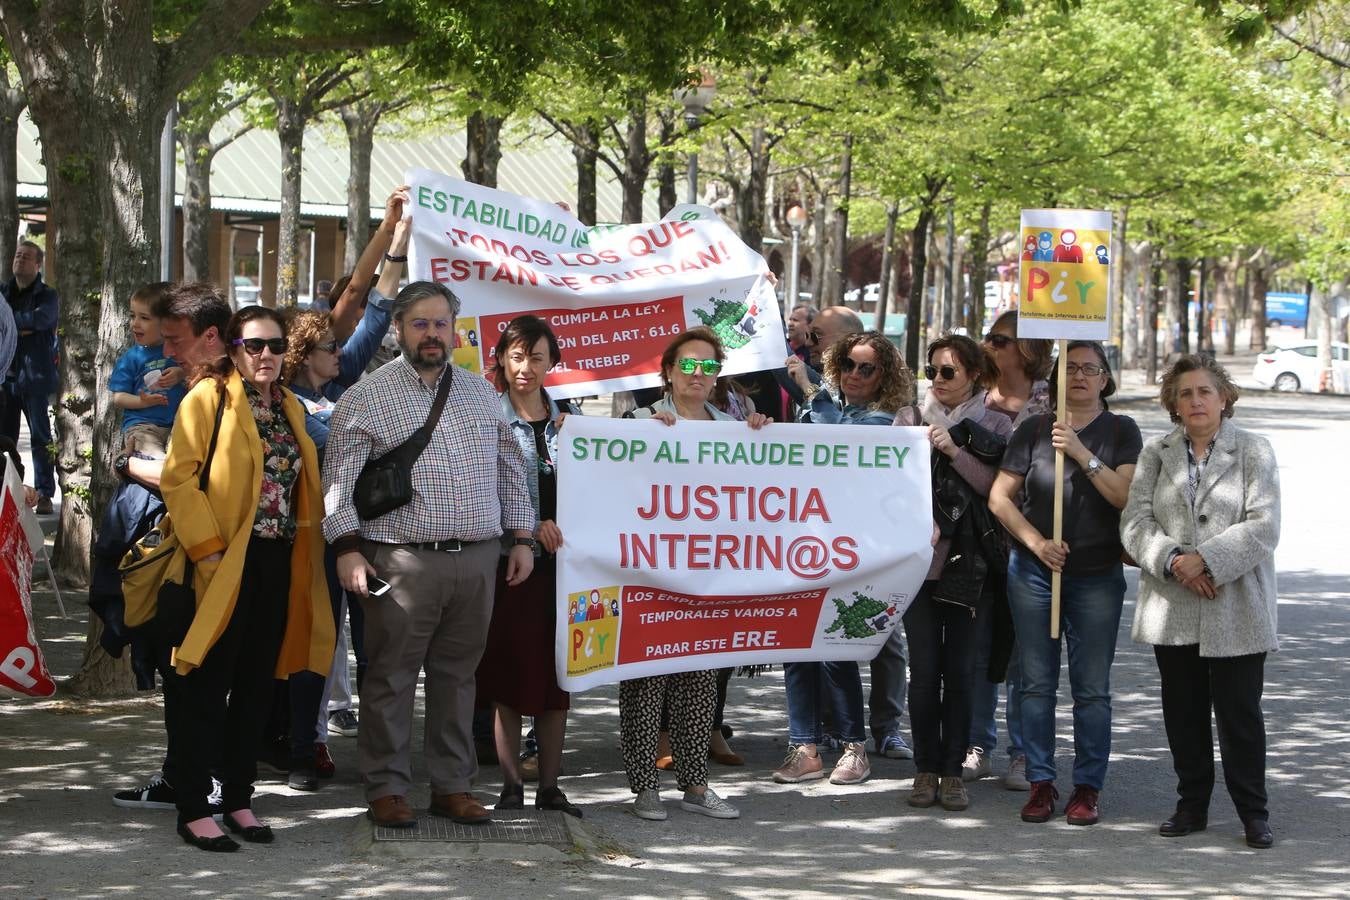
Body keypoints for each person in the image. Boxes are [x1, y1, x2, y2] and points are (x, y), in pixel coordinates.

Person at [322, 281, 536, 830]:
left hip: (478, 559)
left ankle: (452, 786)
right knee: (391, 677)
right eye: (420, 323)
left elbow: (512, 469)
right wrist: (346, 548)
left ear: (455, 329)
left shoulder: (481, 394)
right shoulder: (364, 398)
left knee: (459, 678)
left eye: (442, 323)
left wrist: (521, 539)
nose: (433, 334)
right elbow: (337, 484)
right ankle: (388, 789)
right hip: (400, 561)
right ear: (398, 328)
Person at [159, 304, 334, 851]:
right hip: (217, 564)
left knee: (258, 686)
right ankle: (193, 805)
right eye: (254, 345)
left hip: (276, 561)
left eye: (276, 346)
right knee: (204, 686)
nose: (266, 355)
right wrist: (209, 554)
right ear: (233, 348)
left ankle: (237, 797)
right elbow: (178, 479)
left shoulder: (288, 407)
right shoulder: (208, 398)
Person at [271, 205, 408, 791]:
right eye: (328, 346)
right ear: (304, 355)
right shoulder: (286, 403)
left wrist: (398, 235)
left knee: (374, 644)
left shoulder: (344, 381)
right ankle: (307, 746)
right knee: (314, 645)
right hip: (312, 538)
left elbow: (377, 309)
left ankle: (382, 751)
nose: (341, 350)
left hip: (366, 534)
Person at [1121, 355, 1280, 850]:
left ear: (1224, 397)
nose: (1195, 401)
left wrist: (1206, 560)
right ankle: (1191, 805)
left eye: (1204, 392)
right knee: (1183, 713)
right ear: (1173, 402)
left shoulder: (1254, 450)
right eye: (1185, 393)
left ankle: (1253, 812)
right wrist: (1173, 561)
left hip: (1237, 605)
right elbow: (1134, 523)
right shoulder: (1156, 453)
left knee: (1240, 716)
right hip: (1173, 606)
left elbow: (1264, 525)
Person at [988, 340, 1141, 827]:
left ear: (1104, 378)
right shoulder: (1033, 429)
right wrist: (1036, 543)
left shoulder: (1121, 430)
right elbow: (1000, 499)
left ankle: (1088, 788)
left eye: (1089, 369)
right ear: (1055, 378)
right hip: (1035, 572)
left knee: (1091, 688)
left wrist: (1079, 451)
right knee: (1034, 682)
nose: (1078, 376)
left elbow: (1123, 496)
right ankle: (1040, 780)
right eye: (1069, 368)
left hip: (1096, 576)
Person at [621, 326, 769, 822]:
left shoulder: (734, 428)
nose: (697, 374)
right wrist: (640, 436)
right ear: (668, 370)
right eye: (688, 364)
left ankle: (696, 784)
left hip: (708, 578)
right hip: (648, 577)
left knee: (701, 681)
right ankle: (644, 787)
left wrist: (765, 438)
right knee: (645, 680)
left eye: (708, 366)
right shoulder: (639, 420)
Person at [111, 282, 233, 812]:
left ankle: (207, 786)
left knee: (197, 677)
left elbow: (192, 481)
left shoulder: (225, 394)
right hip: (187, 559)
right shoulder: (204, 388)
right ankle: (186, 778)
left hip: (209, 562)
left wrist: (130, 466)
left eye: (173, 339)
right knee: (181, 674)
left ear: (210, 337)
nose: (165, 352)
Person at [775, 331, 914, 786]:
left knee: (836, 649)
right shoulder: (820, 407)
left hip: (852, 548)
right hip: (802, 540)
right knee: (797, 648)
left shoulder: (885, 419)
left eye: (866, 368)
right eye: (848, 365)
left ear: (884, 376)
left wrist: (812, 389)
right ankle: (805, 747)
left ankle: (855, 748)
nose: (854, 375)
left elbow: (841, 441)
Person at [893, 334, 1010, 813]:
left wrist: (955, 451)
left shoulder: (997, 422)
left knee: (961, 672)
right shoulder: (909, 418)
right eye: (932, 371)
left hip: (973, 568)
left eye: (949, 372)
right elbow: (887, 486)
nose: (938, 381)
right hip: (920, 568)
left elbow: (1000, 492)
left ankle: (952, 772)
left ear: (975, 376)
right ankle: (924, 768)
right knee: (923, 673)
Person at [475, 315, 581, 817]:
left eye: (537, 357)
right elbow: (478, 493)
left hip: (567, 571)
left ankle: (551, 789)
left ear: (552, 363)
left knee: (558, 677)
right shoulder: (485, 418)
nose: (526, 367)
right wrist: (528, 525)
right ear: (500, 358)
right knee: (510, 679)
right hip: (510, 568)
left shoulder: (574, 421)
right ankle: (512, 787)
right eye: (517, 356)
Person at [964, 311, 1052, 790]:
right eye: (989, 337)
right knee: (979, 652)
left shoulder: (1050, 405)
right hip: (980, 545)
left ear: (1029, 348)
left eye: (1000, 339)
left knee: (1024, 656)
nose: (990, 346)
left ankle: (1024, 753)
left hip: (1032, 545)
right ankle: (978, 744)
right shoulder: (975, 405)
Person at [2, 240, 59, 514]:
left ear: (37, 265)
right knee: (6, 438)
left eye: (26, 257)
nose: (19, 260)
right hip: (6, 379)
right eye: (17, 255)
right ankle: (10, 492)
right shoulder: (3, 292)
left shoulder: (48, 295)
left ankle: (45, 493)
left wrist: (12, 324)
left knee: (40, 438)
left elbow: (42, 320)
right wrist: (21, 325)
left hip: (35, 378)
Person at [109, 282, 187, 458]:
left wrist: (181, 373)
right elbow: (118, 397)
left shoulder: (180, 350)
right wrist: (142, 402)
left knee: (182, 463)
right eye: (132, 316)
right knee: (157, 462)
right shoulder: (131, 357)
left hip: (178, 424)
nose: (135, 324)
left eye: (144, 318)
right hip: (142, 425)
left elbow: (199, 373)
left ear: (167, 323)